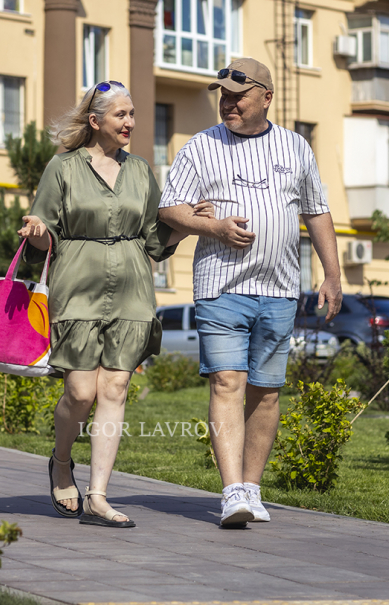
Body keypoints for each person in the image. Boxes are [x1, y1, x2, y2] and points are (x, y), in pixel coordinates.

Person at [157, 57, 343, 527]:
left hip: (281, 289)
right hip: (220, 287)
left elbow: (317, 212)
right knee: (227, 382)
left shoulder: (296, 147)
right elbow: (169, 209)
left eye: (237, 95)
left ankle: (253, 488)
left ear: (266, 96)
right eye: (222, 95)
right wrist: (213, 226)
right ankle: (232, 491)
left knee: (267, 391)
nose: (228, 103)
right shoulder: (200, 147)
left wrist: (332, 275)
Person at [18, 81, 207, 528]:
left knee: (115, 389)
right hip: (77, 286)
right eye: (121, 114)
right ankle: (61, 462)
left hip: (132, 289)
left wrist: (191, 223)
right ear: (95, 120)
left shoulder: (140, 171)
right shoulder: (61, 168)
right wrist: (38, 233)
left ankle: (98, 495)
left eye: (133, 113)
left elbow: (154, 240)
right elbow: (42, 226)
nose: (130, 123)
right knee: (80, 392)